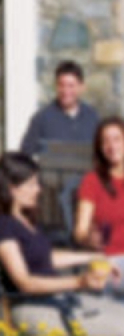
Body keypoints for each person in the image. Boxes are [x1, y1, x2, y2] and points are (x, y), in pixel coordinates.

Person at [0, 151, 123, 334]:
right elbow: (25, 282)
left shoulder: (25, 219)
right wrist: (80, 282)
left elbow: (47, 257)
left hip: (56, 299)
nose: (38, 189)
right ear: (12, 188)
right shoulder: (2, 225)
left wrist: (95, 257)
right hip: (33, 307)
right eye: (31, 184)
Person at [74, 116, 124, 296]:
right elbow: (80, 232)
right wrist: (90, 238)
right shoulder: (92, 181)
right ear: (100, 148)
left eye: (117, 139)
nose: (112, 146)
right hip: (111, 260)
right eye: (105, 141)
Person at [20, 61, 100, 156]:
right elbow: (25, 155)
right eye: (61, 85)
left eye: (71, 86)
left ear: (81, 87)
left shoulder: (92, 117)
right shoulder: (41, 119)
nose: (66, 91)